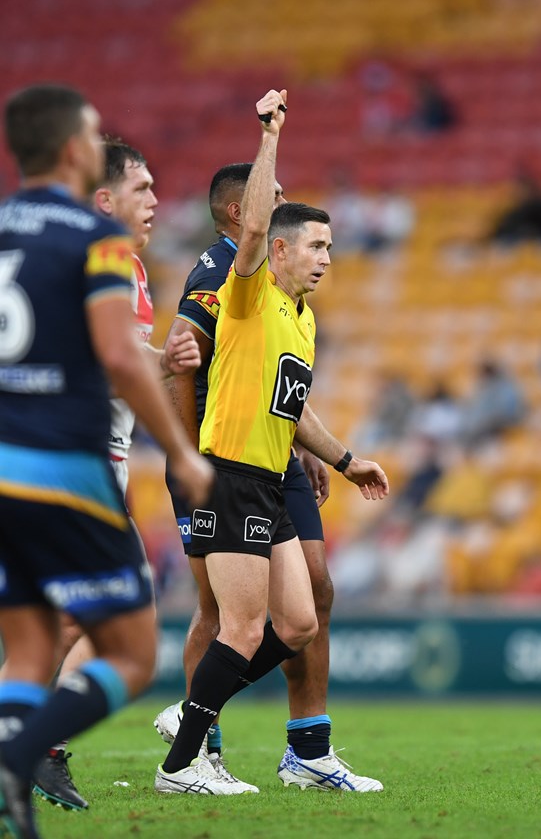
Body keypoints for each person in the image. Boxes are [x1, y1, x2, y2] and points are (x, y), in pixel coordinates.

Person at [153, 88, 389, 797]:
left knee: (300, 618)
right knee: (240, 625)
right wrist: (270, 136)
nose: (327, 258)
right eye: (317, 246)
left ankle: (199, 713)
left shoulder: (301, 316)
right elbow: (251, 229)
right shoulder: (245, 287)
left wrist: (344, 460)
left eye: (330, 247)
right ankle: (183, 763)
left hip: (270, 473)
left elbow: (291, 405)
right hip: (229, 472)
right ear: (278, 248)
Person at [0, 84, 212, 839]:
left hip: (8, 463)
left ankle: (19, 769)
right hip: (70, 463)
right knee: (131, 650)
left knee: (36, 640)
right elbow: (117, 358)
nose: (153, 198)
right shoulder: (97, 241)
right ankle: (21, 754)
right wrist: (181, 450)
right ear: (72, 152)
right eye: (94, 136)